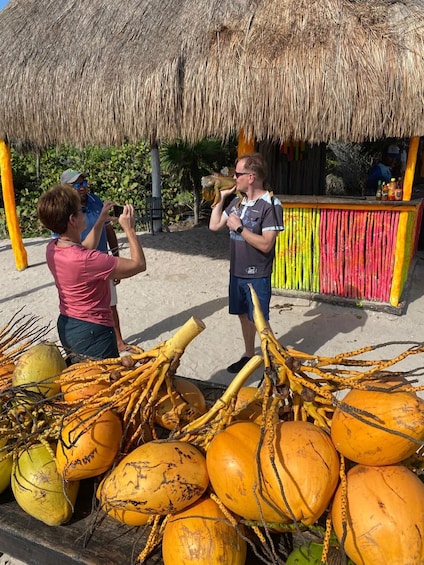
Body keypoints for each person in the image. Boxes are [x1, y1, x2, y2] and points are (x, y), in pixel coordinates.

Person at [37, 184, 146, 361]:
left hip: (68, 324)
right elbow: (138, 264)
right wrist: (130, 230)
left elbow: (82, 248)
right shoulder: (88, 260)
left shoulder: (53, 248)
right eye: (82, 210)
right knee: (102, 383)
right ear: (73, 220)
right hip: (94, 331)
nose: (85, 212)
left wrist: (100, 222)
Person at [209, 152, 284, 373]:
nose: (234, 177)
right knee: (243, 315)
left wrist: (240, 228)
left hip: (257, 273)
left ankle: (273, 360)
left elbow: (266, 244)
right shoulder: (236, 202)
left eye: (238, 174)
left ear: (251, 177)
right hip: (237, 271)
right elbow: (214, 226)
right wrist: (221, 199)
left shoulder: (270, 204)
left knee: (259, 319)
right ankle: (249, 354)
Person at [60, 169, 134, 354]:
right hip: (78, 267)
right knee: (88, 307)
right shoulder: (62, 211)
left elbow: (108, 229)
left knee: (111, 303)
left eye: (84, 183)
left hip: (101, 261)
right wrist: (130, 231)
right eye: (77, 185)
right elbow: (139, 265)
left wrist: (115, 255)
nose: (82, 187)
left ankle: (118, 341)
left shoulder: (95, 200)